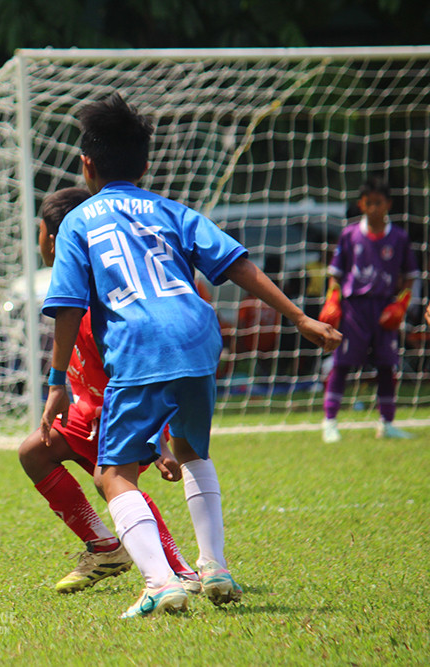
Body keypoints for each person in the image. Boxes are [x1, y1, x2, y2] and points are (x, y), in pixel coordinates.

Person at [40, 94, 342, 618]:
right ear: (145, 166)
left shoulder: (79, 221)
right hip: (199, 339)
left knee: (113, 474)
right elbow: (237, 264)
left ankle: (160, 583)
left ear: (86, 165)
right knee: (191, 451)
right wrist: (300, 318)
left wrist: (56, 380)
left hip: (139, 342)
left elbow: (67, 306)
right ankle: (215, 567)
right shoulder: (172, 210)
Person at [19, 187, 200, 595]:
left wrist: (159, 442)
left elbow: (138, 371)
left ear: (52, 239)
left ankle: (180, 570)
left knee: (112, 481)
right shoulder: (74, 288)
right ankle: (104, 547)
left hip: (116, 411)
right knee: (35, 452)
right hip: (86, 412)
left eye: (40, 232)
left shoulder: (97, 299)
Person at [318, 176, 419, 442]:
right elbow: (335, 274)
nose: (374, 208)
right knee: (342, 364)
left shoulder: (399, 237)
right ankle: (330, 422)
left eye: (379, 202)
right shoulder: (350, 235)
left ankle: (386, 423)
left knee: (387, 365)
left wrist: (401, 304)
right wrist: (333, 300)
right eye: (369, 202)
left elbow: (410, 275)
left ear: (388, 204)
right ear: (361, 204)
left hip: (384, 309)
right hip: (355, 308)